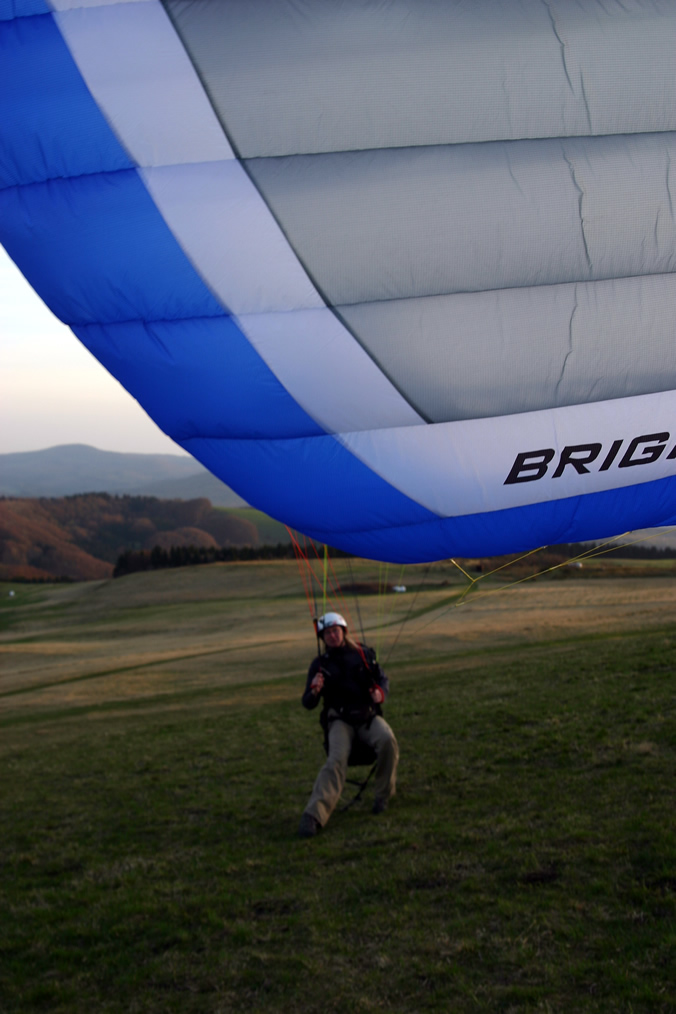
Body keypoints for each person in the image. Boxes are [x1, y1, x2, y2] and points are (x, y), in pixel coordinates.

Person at [298, 612, 399, 838]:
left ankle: (383, 796)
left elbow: (382, 679)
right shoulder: (319, 665)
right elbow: (308, 703)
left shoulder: (363, 654)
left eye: (335, 631)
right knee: (336, 759)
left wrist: (380, 693)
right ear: (323, 638)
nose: (332, 636)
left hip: (367, 716)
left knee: (387, 740)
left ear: (343, 631)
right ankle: (314, 815)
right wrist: (314, 690)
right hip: (340, 720)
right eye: (327, 633)